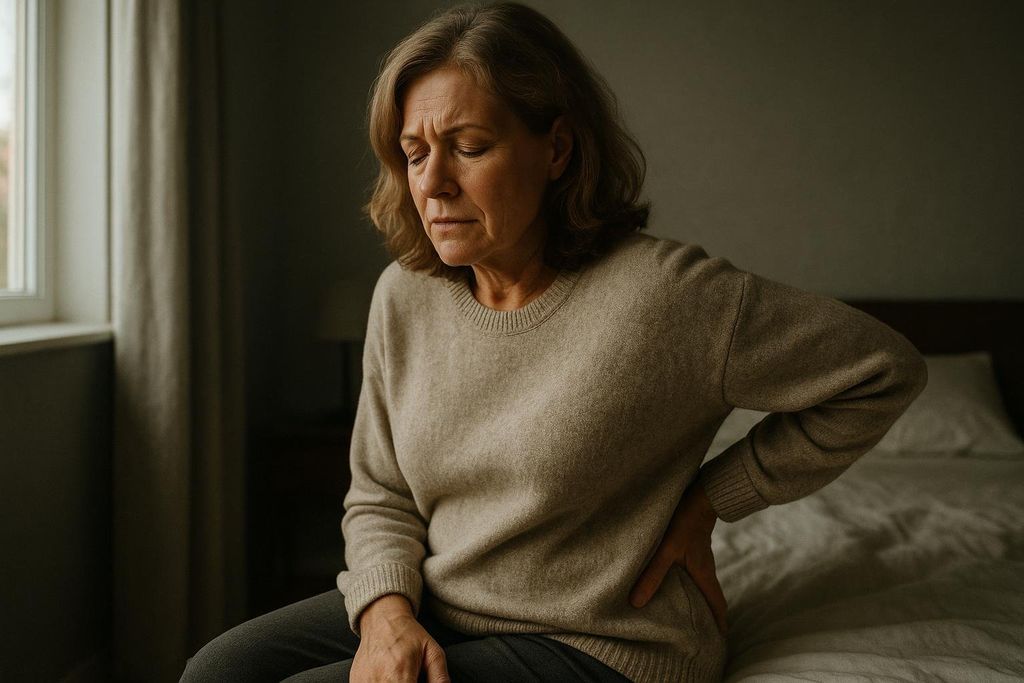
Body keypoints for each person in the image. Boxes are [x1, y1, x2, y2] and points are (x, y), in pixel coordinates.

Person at [180, 2, 928, 682]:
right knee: (217, 670)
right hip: (444, 601)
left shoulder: (668, 297)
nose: (432, 183)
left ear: (558, 149)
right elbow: (380, 491)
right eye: (413, 153)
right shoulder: (403, 296)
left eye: (467, 146)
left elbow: (882, 370)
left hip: (601, 639)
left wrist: (712, 498)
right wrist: (386, 614)